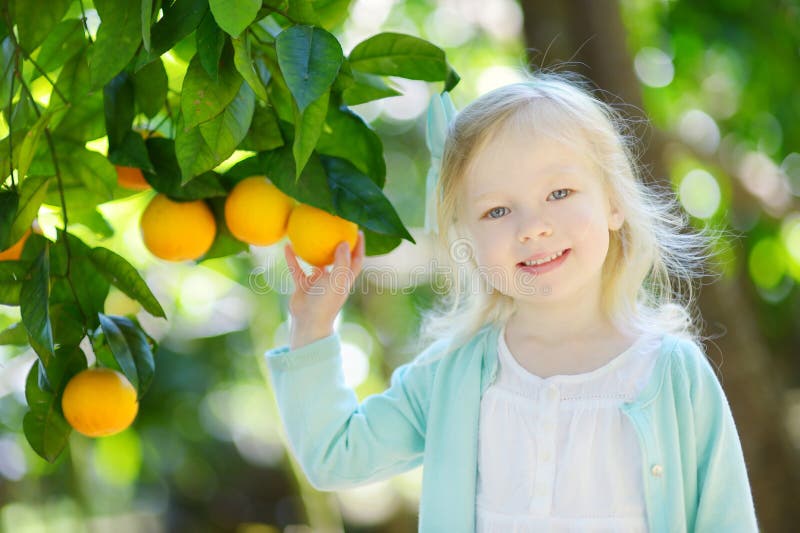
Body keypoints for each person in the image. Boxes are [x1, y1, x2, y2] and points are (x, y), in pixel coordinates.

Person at [264, 70, 759, 532]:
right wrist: (312, 330)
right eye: (497, 210)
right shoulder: (455, 374)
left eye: (559, 192)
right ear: (466, 237)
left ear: (613, 201)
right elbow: (336, 455)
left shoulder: (671, 376)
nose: (533, 227)